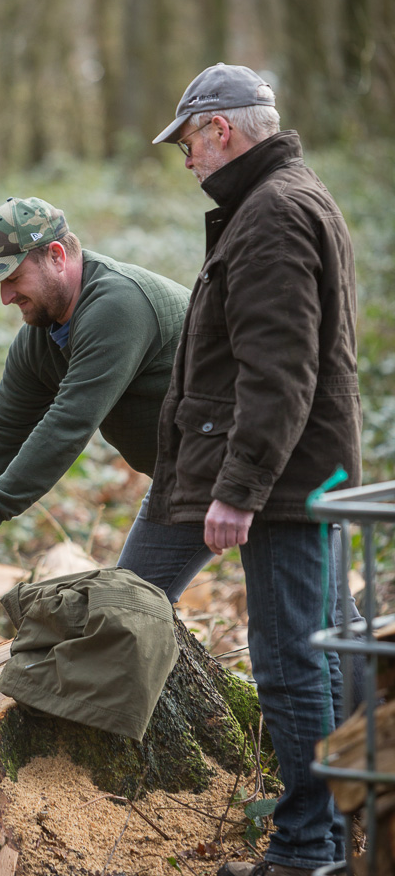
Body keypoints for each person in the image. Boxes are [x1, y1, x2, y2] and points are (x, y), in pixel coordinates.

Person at [118, 64, 362, 876]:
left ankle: (305, 849)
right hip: (305, 469)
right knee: (320, 653)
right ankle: (332, 836)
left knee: (291, 665)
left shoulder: (271, 215)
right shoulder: (285, 198)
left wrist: (239, 487)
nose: (186, 159)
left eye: (187, 143)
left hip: (286, 481)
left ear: (219, 129)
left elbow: (279, 370)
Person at [0, 195, 191, 570]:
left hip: (254, 461)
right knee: (135, 599)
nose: (5, 297)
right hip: (184, 480)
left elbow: (69, 423)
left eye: (13, 278)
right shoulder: (40, 336)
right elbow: (4, 428)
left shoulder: (118, 305)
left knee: (274, 603)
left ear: (56, 256)